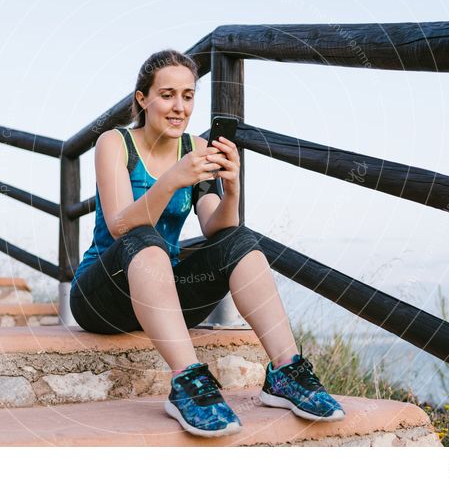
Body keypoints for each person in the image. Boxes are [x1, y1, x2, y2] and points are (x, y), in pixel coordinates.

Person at [69, 49, 345, 437]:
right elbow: (119, 225)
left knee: (240, 239)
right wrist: (171, 181)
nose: (179, 106)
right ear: (142, 99)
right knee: (143, 237)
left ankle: (286, 371)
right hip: (104, 296)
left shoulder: (196, 149)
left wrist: (231, 189)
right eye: (167, 95)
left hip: (167, 297)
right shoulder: (115, 143)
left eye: (187, 95)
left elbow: (217, 225)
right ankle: (187, 383)